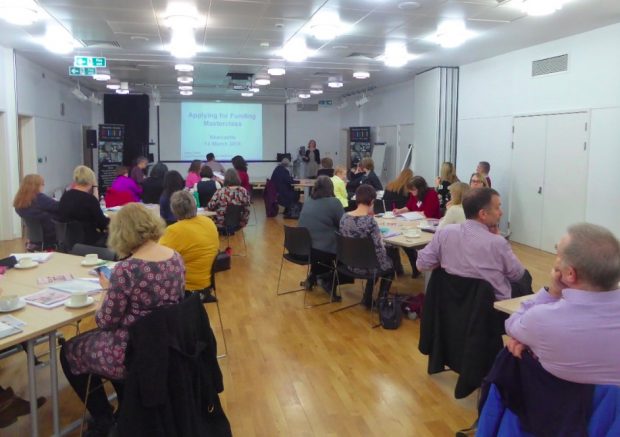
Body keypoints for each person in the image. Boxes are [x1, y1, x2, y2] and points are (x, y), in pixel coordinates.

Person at [60, 203, 184, 437]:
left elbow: (105, 322)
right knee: (100, 344)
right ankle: (129, 408)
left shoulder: (126, 269)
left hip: (131, 350)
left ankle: (105, 418)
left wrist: (108, 290)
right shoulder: (175, 258)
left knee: (69, 350)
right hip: (165, 344)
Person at [505, 223, 620, 385]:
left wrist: (553, 292)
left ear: (570, 274)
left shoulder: (542, 320)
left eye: (557, 253)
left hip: (560, 406)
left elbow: (512, 326)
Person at [417, 188, 526, 300]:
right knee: (526, 278)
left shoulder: (445, 232)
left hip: (449, 304)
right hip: (490, 308)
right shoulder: (497, 242)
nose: (501, 212)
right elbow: (517, 274)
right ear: (483, 214)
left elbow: (421, 264)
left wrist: (442, 262)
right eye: (497, 207)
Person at [339, 184, 394, 309]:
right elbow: (379, 251)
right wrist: (387, 248)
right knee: (390, 265)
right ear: (372, 201)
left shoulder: (344, 217)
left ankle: (367, 298)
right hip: (366, 267)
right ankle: (381, 300)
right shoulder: (370, 222)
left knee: (372, 260)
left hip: (348, 264)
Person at [160, 191, 219, 303]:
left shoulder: (174, 230)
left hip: (187, 289)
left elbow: (157, 258)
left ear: (174, 210)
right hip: (206, 285)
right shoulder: (208, 222)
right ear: (194, 205)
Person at [298, 176, 345, 297]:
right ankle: (329, 280)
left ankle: (314, 276)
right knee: (345, 250)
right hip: (322, 250)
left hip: (303, 248)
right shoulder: (334, 203)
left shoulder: (308, 200)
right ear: (331, 188)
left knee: (321, 241)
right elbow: (343, 225)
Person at [59, 166, 109, 246]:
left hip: (69, 240)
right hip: (89, 241)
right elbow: (102, 223)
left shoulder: (65, 196)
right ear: (91, 180)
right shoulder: (90, 200)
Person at [13, 174, 59, 247]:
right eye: (42, 184)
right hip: (49, 234)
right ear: (36, 186)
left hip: (34, 237)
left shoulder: (19, 201)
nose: (43, 187)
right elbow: (59, 207)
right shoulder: (39, 198)